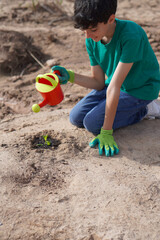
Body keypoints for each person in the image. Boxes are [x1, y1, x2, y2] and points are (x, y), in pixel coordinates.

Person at [51, 0, 160, 157]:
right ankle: (126, 109)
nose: (88, 36)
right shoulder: (92, 38)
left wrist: (107, 131)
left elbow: (115, 86)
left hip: (139, 89)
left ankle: (146, 109)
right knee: (76, 118)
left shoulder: (131, 35)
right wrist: (70, 76)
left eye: (93, 29)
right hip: (114, 87)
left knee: (93, 123)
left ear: (111, 19)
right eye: (84, 31)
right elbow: (98, 82)